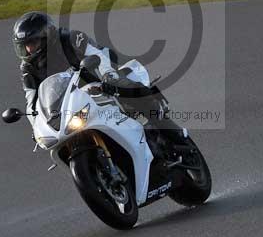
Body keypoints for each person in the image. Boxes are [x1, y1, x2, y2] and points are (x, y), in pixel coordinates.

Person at [12, 11, 188, 147]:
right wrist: (37, 126)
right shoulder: (27, 68)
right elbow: (32, 102)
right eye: (25, 45)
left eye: (33, 42)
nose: (29, 49)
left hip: (99, 83)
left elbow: (99, 55)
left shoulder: (70, 38)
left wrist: (108, 77)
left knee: (123, 86)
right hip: (72, 102)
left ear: (47, 36)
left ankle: (169, 129)